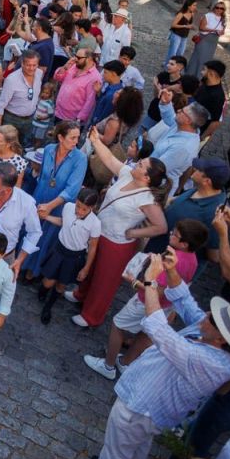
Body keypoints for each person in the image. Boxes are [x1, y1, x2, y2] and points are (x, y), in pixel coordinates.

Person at [97, 253, 230, 459]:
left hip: (140, 410)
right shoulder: (212, 334)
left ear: (221, 338)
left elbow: (159, 330)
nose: (208, 314)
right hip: (145, 408)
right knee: (136, 451)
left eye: (212, 318)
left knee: (114, 457)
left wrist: (150, 281)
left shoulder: (212, 363)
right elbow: (185, 302)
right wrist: (172, 270)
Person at [84, 220, 209, 379]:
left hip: (145, 302)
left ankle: (108, 366)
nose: (170, 234)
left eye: (175, 235)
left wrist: (134, 281)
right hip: (166, 306)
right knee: (145, 334)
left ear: (184, 244)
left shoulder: (173, 261)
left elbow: (157, 290)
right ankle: (125, 362)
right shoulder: (193, 260)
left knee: (117, 325)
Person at [71, 130, 169, 327]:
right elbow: (109, 159)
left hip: (117, 242)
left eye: (141, 165)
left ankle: (92, 316)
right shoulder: (126, 174)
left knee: (104, 281)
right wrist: (96, 141)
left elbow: (161, 226)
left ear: (147, 177)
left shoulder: (147, 199)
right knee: (91, 269)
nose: (137, 163)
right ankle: (80, 294)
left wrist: (134, 233)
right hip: (100, 232)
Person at [24, 121, 88, 279]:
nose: (76, 142)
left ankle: (35, 270)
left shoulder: (80, 159)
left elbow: (72, 189)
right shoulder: (48, 150)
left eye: (77, 138)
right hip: (40, 197)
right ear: (60, 137)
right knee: (30, 230)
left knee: (46, 238)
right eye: (72, 138)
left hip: (59, 205)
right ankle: (23, 263)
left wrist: (50, 206)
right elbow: (42, 177)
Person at [38, 187, 101, 324]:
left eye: (84, 209)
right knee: (48, 281)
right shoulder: (68, 207)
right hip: (59, 249)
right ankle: (42, 291)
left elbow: (93, 247)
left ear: (93, 208)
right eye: (78, 206)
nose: (79, 211)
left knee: (61, 285)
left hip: (74, 257)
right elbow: (62, 222)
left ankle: (48, 307)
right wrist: (47, 217)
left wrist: (86, 268)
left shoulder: (95, 224)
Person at [0, 49, 43, 146]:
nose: (32, 68)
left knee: (22, 147)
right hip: (11, 120)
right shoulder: (11, 80)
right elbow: (0, 105)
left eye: (34, 65)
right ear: (22, 64)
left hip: (29, 119)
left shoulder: (39, 73)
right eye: (28, 65)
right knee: (7, 147)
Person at [187, 1, 226, 77]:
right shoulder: (208, 16)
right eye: (217, 7)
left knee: (207, 59)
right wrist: (214, 30)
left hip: (214, 41)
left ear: (223, 10)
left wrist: (221, 32)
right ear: (214, 8)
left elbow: (223, 31)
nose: (219, 9)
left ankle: (200, 77)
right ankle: (191, 75)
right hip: (204, 39)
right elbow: (201, 28)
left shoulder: (223, 19)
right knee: (199, 57)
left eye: (221, 8)